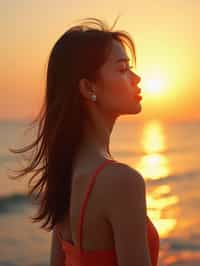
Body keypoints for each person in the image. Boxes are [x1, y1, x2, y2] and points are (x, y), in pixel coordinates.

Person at [9, 17, 159, 266]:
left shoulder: (66, 171)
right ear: (89, 88)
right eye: (122, 69)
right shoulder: (123, 182)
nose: (136, 78)